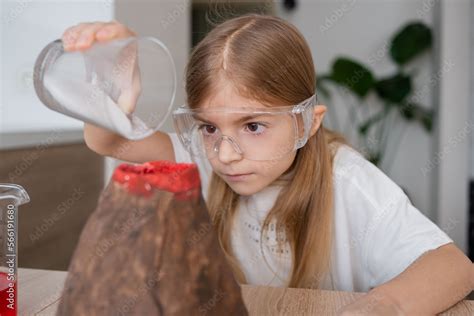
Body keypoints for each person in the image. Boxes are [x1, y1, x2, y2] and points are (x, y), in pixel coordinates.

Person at [62, 15, 473, 315]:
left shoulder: (347, 180)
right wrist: (111, 85)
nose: (225, 154)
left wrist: (379, 306)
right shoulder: (203, 159)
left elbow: (456, 269)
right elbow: (109, 141)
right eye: (207, 127)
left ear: (306, 123)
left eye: (253, 125)